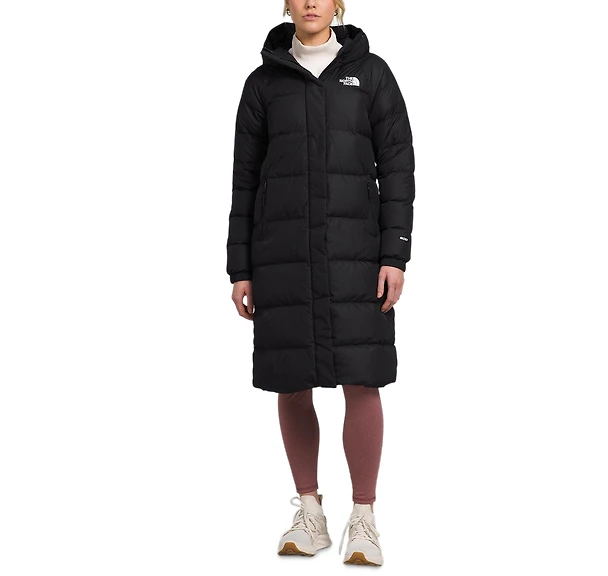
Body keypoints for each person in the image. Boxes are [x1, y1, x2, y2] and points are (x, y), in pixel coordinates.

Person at [226, 0, 415, 566]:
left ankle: (364, 518)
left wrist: (395, 253)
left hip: (356, 256)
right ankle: (309, 512)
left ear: (338, 4)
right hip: (281, 256)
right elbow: (244, 179)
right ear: (286, 5)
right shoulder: (262, 84)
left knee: (363, 378)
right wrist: (241, 267)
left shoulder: (372, 74)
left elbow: (398, 167)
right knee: (292, 381)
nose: (311, 2)